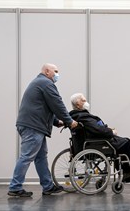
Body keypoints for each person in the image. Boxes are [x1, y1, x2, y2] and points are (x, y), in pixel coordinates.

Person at [8, 63, 78, 197]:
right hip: (33, 127)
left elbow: (42, 107)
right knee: (27, 156)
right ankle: (15, 187)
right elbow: (57, 104)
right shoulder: (46, 83)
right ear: (47, 71)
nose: (57, 74)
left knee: (40, 157)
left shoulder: (40, 83)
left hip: (33, 125)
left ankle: (48, 186)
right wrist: (70, 121)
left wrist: (57, 122)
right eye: (55, 71)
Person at [69, 93, 130, 183]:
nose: (86, 102)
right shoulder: (82, 116)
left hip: (94, 141)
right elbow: (97, 129)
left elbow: (95, 128)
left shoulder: (78, 115)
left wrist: (107, 128)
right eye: (83, 100)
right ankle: (129, 172)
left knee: (122, 143)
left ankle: (128, 172)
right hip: (97, 142)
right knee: (126, 142)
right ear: (78, 104)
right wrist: (111, 132)